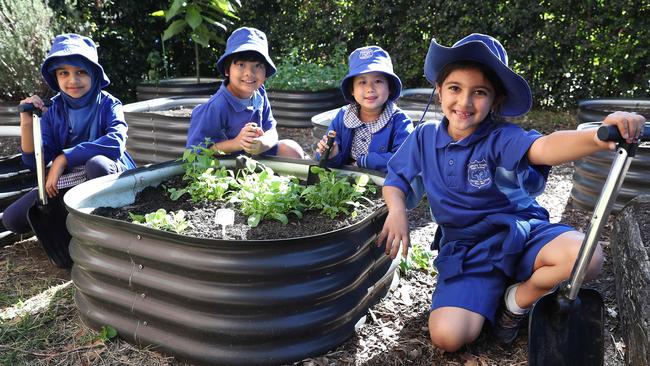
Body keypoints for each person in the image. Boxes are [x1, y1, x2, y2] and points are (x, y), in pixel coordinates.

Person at [377, 33, 645, 352]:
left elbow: (544, 146)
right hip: (467, 250)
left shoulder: (502, 137)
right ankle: (483, 290)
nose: (464, 102)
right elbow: (396, 180)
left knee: (586, 258)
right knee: (448, 338)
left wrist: (598, 137)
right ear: (439, 89)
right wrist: (396, 210)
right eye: (455, 88)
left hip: (519, 234)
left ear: (496, 101)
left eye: (479, 92)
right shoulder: (422, 138)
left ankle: (515, 301)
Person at [3, 33, 136, 236]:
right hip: (72, 178)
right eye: (63, 73)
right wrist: (27, 122)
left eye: (81, 72)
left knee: (96, 164)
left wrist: (64, 158)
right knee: (12, 219)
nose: (72, 80)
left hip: (109, 174)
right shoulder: (53, 109)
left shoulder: (109, 104)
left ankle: (107, 227)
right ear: (55, 77)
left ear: (94, 73)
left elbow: (115, 143)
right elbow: (34, 161)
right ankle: (69, 223)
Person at [185, 27, 304, 158]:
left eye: (258, 66)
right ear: (227, 70)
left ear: (266, 73)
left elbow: (271, 130)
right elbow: (195, 153)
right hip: (225, 167)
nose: (249, 73)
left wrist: (263, 143)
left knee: (292, 150)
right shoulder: (216, 106)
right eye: (241, 65)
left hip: (255, 158)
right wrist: (237, 143)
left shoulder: (260, 94)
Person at [315, 45, 413, 173]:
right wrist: (330, 154)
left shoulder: (400, 121)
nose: (370, 89)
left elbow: (405, 159)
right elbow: (327, 159)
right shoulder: (343, 116)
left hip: (385, 185)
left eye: (378, 81)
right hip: (346, 182)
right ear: (352, 90)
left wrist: (364, 161)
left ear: (390, 88)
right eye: (362, 82)